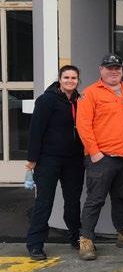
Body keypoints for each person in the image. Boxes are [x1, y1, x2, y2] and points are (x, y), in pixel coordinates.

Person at [75, 54, 123, 260]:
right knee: (95, 200)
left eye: (117, 68)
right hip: (102, 159)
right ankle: (86, 240)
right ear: (101, 70)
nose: (114, 71)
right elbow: (83, 125)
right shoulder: (90, 93)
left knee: (121, 198)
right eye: (109, 68)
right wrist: (94, 152)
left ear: (121, 70)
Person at [25, 65, 85, 260]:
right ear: (59, 79)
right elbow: (36, 130)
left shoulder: (80, 100)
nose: (70, 81)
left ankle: (75, 238)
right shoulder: (47, 100)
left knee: (73, 201)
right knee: (44, 201)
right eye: (66, 77)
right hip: (48, 159)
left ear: (78, 80)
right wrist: (32, 159)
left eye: (73, 78)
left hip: (74, 160)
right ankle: (35, 244)